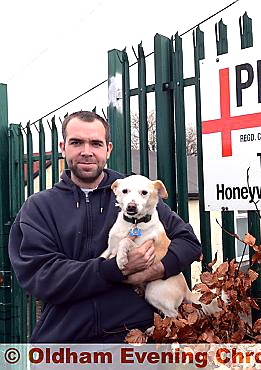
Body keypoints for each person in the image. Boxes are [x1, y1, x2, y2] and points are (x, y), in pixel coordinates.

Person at [8, 111, 202, 343]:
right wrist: (113, 271)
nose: (87, 151)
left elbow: (189, 243)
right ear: (63, 146)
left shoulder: (135, 193)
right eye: (77, 142)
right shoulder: (39, 207)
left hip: (135, 340)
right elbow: (41, 275)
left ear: (108, 149)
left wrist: (153, 270)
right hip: (65, 340)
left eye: (96, 143)